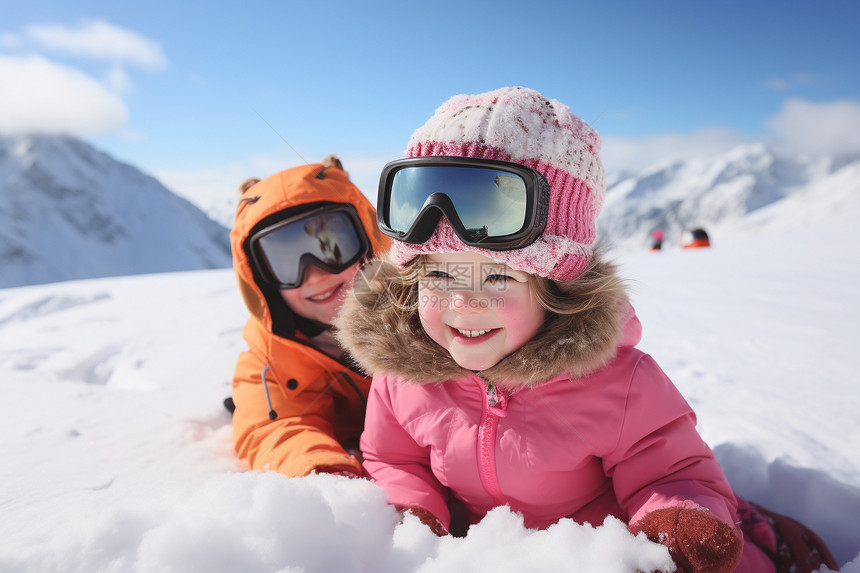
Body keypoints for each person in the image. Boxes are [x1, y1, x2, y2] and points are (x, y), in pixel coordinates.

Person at [336, 88, 837, 573]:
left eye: (498, 276)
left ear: (557, 287)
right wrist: (415, 514)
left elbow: (670, 472)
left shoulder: (620, 383)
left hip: (602, 554)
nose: (464, 302)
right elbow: (394, 460)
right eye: (439, 275)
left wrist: (674, 523)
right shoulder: (403, 378)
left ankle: (767, 545)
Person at [229, 155, 389, 478]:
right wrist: (323, 474)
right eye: (286, 261)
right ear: (263, 281)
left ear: (367, 242)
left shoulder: (425, 313)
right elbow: (277, 429)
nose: (316, 275)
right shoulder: (268, 360)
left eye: (333, 246)